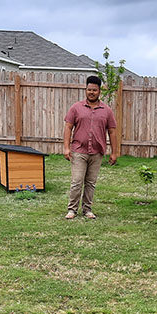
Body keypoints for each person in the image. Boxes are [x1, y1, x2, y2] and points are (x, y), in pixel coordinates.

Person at [63, 75, 118, 219]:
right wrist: (66, 148)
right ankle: (72, 210)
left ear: (100, 91)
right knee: (77, 181)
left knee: (90, 183)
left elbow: (112, 131)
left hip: (97, 152)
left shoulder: (106, 110)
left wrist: (114, 152)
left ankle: (87, 209)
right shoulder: (76, 108)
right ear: (85, 90)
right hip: (78, 150)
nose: (91, 92)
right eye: (89, 90)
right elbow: (68, 127)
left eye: (94, 90)